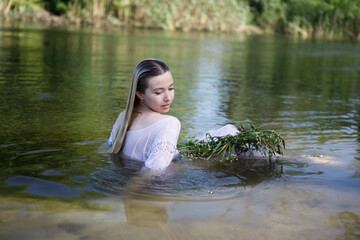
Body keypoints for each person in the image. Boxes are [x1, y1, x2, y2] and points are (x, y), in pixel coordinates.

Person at [108, 59, 181, 171]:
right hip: (157, 187)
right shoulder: (169, 123)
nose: (168, 98)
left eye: (171, 88)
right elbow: (155, 171)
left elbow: (109, 148)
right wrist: (129, 189)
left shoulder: (123, 117)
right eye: (158, 92)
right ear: (140, 94)